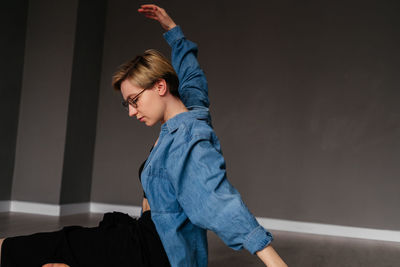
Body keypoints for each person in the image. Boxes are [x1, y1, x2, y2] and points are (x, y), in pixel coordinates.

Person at [0, 4, 287, 267]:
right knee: (60, 245)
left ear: (160, 87)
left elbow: (217, 201)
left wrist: (273, 260)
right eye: (127, 104)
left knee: (41, 248)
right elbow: (192, 74)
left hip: (153, 251)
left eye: (134, 100)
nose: (131, 111)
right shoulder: (194, 108)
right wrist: (172, 29)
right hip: (145, 235)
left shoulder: (189, 139)